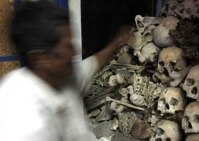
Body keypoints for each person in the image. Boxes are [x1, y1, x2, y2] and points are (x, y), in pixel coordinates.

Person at [0, 1, 131, 141]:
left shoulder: (60, 75)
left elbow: (91, 65)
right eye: (68, 46)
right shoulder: (25, 124)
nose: (78, 50)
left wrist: (117, 42)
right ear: (40, 57)